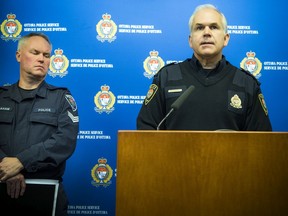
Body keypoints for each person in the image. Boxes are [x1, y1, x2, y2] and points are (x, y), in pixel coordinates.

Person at [137, 4, 272, 131]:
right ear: (190, 40)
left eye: (214, 27)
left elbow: (261, 141)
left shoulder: (246, 83)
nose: (206, 33)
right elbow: (146, 130)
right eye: (199, 28)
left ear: (226, 39)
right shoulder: (166, 77)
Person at [0, 32, 79, 215]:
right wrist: (6, 169)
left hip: (46, 193)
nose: (41, 59)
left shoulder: (61, 98)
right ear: (19, 55)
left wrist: (21, 162)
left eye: (46, 55)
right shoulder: (1, 97)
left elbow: (65, 141)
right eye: (35, 52)